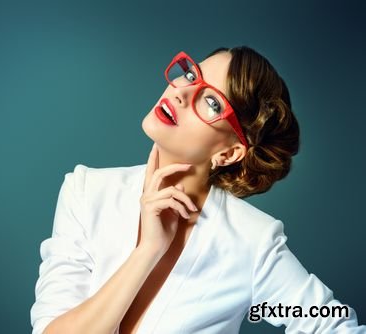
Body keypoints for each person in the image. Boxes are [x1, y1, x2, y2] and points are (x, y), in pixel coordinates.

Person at [30, 46, 365, 333]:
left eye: (212, 102)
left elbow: (331, 323)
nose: (181, 91)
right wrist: (147, 250)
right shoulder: (87, 192)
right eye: (192, 75)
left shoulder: (250, 242)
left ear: (230, 152)